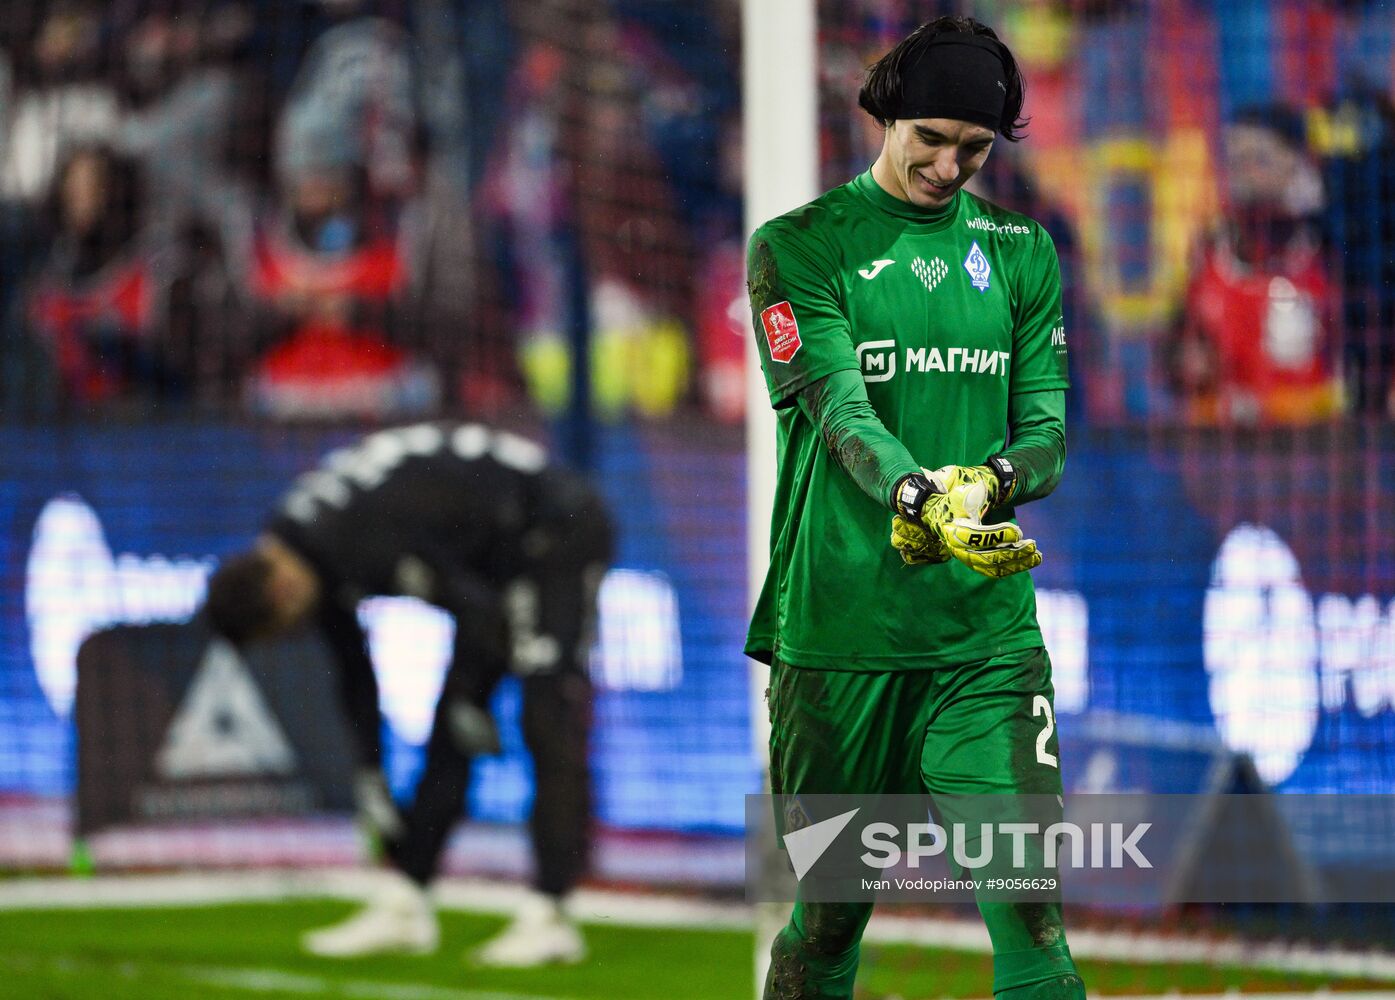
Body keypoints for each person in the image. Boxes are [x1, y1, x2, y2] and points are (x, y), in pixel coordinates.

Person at [746, 16, 1081, 1000]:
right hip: (837, 635)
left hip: (983, 640)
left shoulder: (1023, 254)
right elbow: (842, 411)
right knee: (829, 920)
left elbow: (1047, 432)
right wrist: (918, 495)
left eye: (973, 148)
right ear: (885, 114)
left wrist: (991, 483)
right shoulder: (799, 248)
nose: (948, 164)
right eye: (929, 137)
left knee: (1032, 913)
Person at [203, 421, 613, 966]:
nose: (299, 632)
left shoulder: (362, 537)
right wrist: (370, 774)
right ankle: (407, 899)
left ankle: (551, 913)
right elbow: (355, 670)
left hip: (555, 529)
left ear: (282, 591)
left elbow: (481, 613)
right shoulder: (303, 545)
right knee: (452, 724)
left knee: (546, 712)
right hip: (492, 556)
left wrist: (468, 696)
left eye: (286, 627)